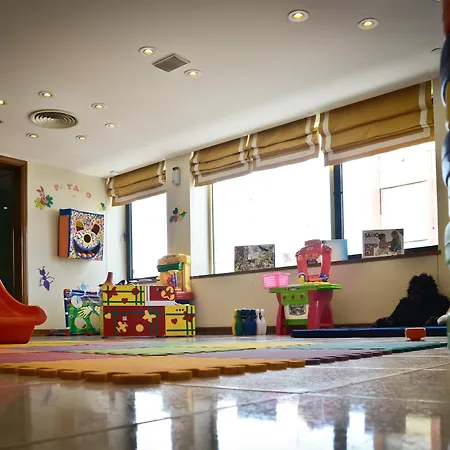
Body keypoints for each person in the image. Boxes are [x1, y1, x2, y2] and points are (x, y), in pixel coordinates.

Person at [372, 273, 450, 327]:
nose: (415, 297)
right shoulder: (404, 305)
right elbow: (391, 321)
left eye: (418, 293)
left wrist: (436, 322)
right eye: (414, 292)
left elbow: (445, 320)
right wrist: (383, 323)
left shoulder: (441, 303)